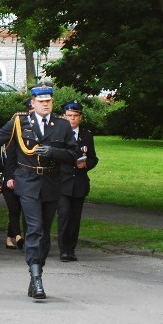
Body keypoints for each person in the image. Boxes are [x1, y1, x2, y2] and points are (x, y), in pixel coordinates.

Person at [0, 83, 80, 299]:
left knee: (44, 234)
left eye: (49, 101)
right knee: (34, 228)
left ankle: (37, 271)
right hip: (28, 181)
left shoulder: (62, 125)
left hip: (51, 183)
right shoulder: (19, 122)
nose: (45, 104)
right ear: (32, 103)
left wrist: (54, 151)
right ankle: (36, 278)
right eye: (41, 102)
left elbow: (74, 155)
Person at [57, 100, 99, 262]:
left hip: (79, 183)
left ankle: (71, 249)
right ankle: (63, 250)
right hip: (62, 182)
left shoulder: (86, 135)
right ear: (63, 116)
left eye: (75, 116)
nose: (72, 119)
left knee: (75, 219)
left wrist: (86, 164)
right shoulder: (58, 134)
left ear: (80, 117)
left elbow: (93, 158)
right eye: (68, 116)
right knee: (64, 216)